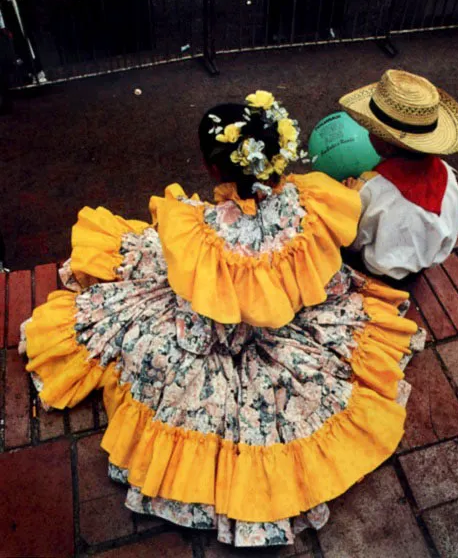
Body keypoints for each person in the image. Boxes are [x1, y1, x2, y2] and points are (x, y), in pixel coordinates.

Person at [19, 88, 423, 547]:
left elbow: (195, 292)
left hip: (216, 328)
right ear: (276, 156)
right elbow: (316, 264)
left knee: (132, 323)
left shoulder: (203, 232)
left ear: (214, 168)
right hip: (284, 319)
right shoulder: (305, 204)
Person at [339, 69, 458, 281]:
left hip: (378, 271)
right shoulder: (447, 173)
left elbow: (352, 240)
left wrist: (347, 200)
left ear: (387, 146)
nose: (369, 134)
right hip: (422, 264)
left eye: (373, 130)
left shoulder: (371, 188)